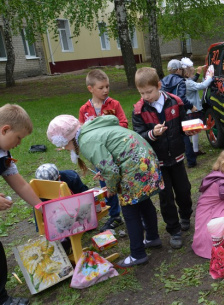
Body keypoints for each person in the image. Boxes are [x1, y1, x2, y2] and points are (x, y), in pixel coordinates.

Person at [46, 114, 164, 267]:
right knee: (143, 201)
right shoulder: (90, 130)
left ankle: (138, 254)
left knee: (129, 210)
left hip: (134, 166)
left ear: (68, 139)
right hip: (145, 159)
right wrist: (107, 171)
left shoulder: (86, 141)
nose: (64, 149)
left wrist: (111, 188)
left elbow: (111, 170)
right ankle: (152, 237)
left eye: (63, 145)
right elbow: (112, 154)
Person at [132, 67, 196, 249]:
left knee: (184, 190)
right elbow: (139, 136)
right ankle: (174, 229)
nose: (146, 96)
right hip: (157, 162)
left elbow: (184, 124)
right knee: (165, 197)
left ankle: (185, 215)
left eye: (149, 91)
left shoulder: (175, 102)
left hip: (176, 157)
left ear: (159, 86)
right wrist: (152, 133)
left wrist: (191, 129)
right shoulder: (138, 111)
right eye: (142, 93)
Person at [0, 104, 43, 305]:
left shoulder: (4, 154)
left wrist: (41, 207)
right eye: (18, 138)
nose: (19, 143)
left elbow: (20, 184)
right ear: (5, 130)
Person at [79, 69, 126, 232]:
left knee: (125, 182)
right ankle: (115, 216)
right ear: (90, 88)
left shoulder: (114, 104)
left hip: (118, 153)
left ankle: (133, 211)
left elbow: (124, 124)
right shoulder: (84, 110)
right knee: (107, 186)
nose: (105, 90)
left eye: (107, 86)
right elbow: (81, 132)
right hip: (100, 157)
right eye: (101, 87)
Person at [160, 59, 198, 168]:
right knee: (185, 134)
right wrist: (191, 106)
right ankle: (191, 160)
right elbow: (181, 98)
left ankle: (171, 157)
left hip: (166, 111)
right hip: (177, 111)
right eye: (181, 69)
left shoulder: (163, 81)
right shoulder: (181, 81)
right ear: (178, 70)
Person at [180, 57, 214, 157]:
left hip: (188, 111)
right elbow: (202, 86)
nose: (193, 74)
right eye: (192, 73)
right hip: (192, 110)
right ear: (187, 73)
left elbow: (193, 82)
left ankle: (192, 150)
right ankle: (193, 151)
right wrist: (210, 77)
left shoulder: (184, 81)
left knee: (191, 131)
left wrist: (197, 73)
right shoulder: (188, 83)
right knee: (193, 131)